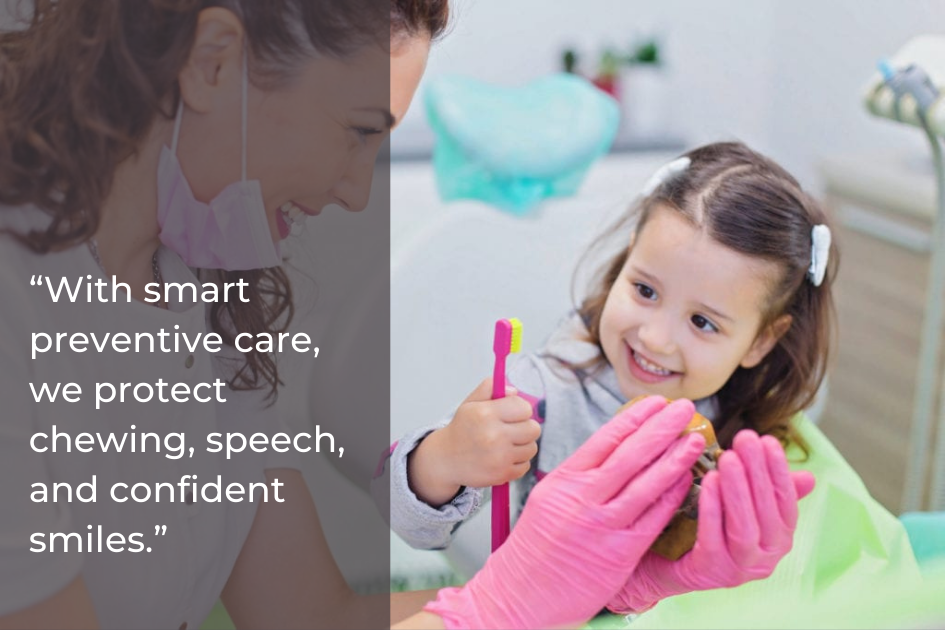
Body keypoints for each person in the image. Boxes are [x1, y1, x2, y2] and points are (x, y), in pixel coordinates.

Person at [0, 2, 803, 629]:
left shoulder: (202, 299)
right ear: (213, 63)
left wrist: (595, 589)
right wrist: (504, 607)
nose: (354, 192)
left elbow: (311, 618)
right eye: (357, 134)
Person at [381, 141, 922, 623]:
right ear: (623, 264)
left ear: (761, 341)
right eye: (644, 290)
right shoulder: (542, 393)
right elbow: (405, 519)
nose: (656, 338)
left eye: (703, 322)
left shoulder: (749, 431)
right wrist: (445, 458)